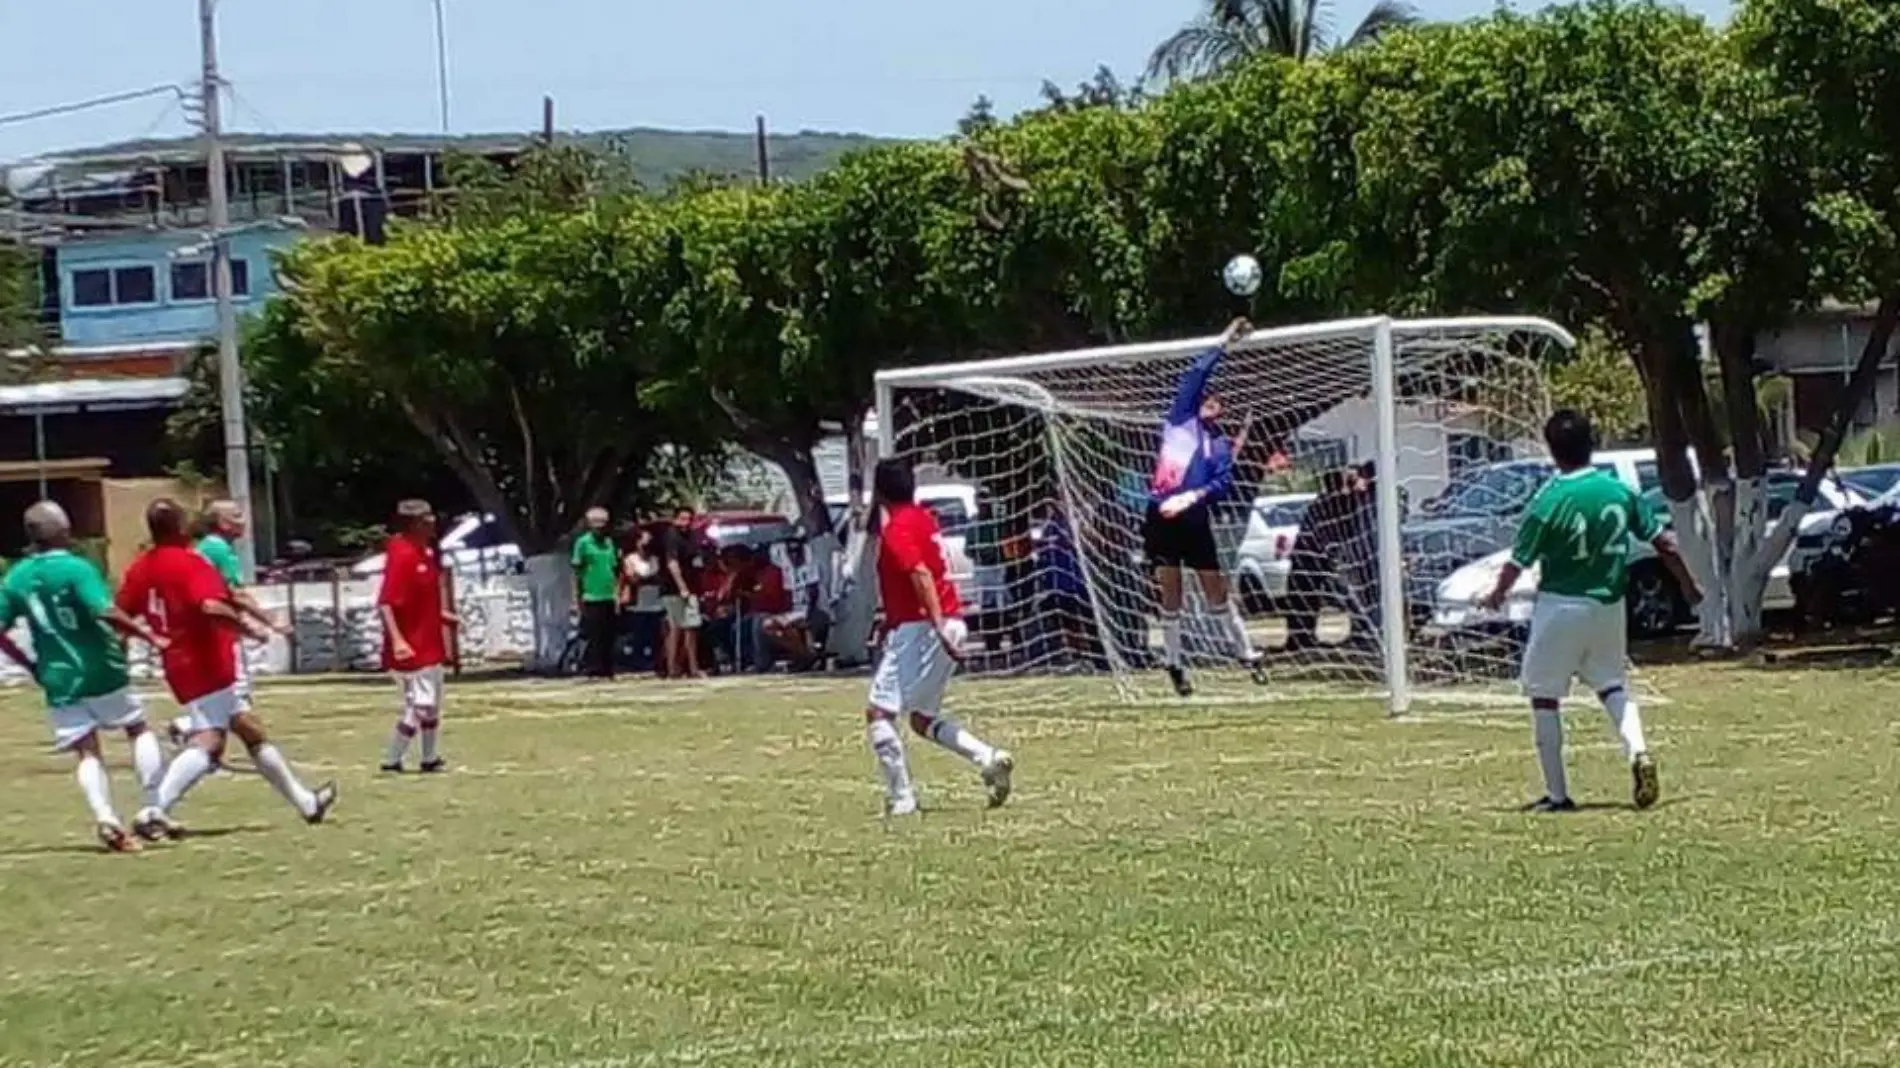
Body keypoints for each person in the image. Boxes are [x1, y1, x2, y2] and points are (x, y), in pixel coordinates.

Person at [1479, 409, 1700, 813]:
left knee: (1544, 697)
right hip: (1610, 606)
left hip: (1560, 605)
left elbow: (1519, 559)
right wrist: (1688, 585)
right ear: (1592, 445)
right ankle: (1639, 752)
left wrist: (1497, 593)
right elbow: (1664, 543)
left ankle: (1558, 796)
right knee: (1612, 685)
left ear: (1552, 450)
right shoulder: (1619, 491)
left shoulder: (1549, 499)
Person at [118, 499, 337, 837]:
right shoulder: (190, 563)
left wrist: (123, 646)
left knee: (249, 728)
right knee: (210, 741)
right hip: (208, 659)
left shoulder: (140, 568)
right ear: (179, 527)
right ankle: (154, 809)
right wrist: (247, 628)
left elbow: (121, 614)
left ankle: (306, 802)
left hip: (177, 662)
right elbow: (210, 605)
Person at [0, 502, 169, 851]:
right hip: (99, 666)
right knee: (136, 727)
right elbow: (104, 610)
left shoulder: (15, 577)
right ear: (64, 530)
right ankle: (153, 807)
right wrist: (150, 637)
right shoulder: (76, 568)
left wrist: (29, 664)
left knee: (86, 751)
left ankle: (106, 817)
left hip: (57, 675)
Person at [862, 457, 1013, 816]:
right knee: (921, 718)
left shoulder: (898, 528)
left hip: (925, 626)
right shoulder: (924, 518)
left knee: (879, 712)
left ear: (879, 491)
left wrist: (935, 624)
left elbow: (920, 575)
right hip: (943, 621)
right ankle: (987, 757)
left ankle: (902, 799)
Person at [1144, 316, 1267, 695]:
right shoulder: (1181, 420)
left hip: (1195, 520)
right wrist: (1225, 341)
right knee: (1172, 593)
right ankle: (1175, 663)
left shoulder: (1220, 446)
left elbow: (1222, 483)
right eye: (1209, 397)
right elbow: (1196, 372)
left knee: (1216, 591)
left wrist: (1193, 496)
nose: (1214, 403)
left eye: (1219, 401)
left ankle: (1247, 654)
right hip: (1162, 516)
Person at [173, 499, 286, 755]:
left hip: (208, 632)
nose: (243, 520)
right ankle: (188, 728)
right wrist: (269, 621)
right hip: (221, 633)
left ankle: (198, 737)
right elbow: (235, 594)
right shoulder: (219, 550)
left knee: (229, 697)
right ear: (222, 523)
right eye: (236, 515)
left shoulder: (206, 548)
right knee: (237, 697)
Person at [378, 499, 459, 773]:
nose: (433, 521)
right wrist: (398, 640)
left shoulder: (424, 552)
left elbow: (421, 598)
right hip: (412, 645)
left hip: (430, 641)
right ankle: (392, 759)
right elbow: (387, 602)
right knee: (421, 706)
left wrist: (442, 616)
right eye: (427, 518)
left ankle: (429, 757)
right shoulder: (402, 554)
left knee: (432, 705)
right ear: (413, 524)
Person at [571, 507, 620, 680]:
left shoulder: (609, 542)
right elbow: (577, 572)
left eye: (603, 523)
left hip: (608, 594)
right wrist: (577, 597)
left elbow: (614, 570)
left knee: (609, 634)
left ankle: (608, 669)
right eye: (596, 523)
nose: (600, 527)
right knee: (594, 635)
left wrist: (617, 594)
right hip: (591, 595)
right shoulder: (583, 543)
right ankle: (593, 669)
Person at [656, 507, 705, 679]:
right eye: (682, 519)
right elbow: (672, 564)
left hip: (692, 589)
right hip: (674, 590)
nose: (685, 523)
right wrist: (682, 587)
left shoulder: (691, 537)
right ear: (675, 519)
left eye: (689, 519)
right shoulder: (672, 537)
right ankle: (672, 668)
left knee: (691, 627)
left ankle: (692, 667)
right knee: (676, 628)